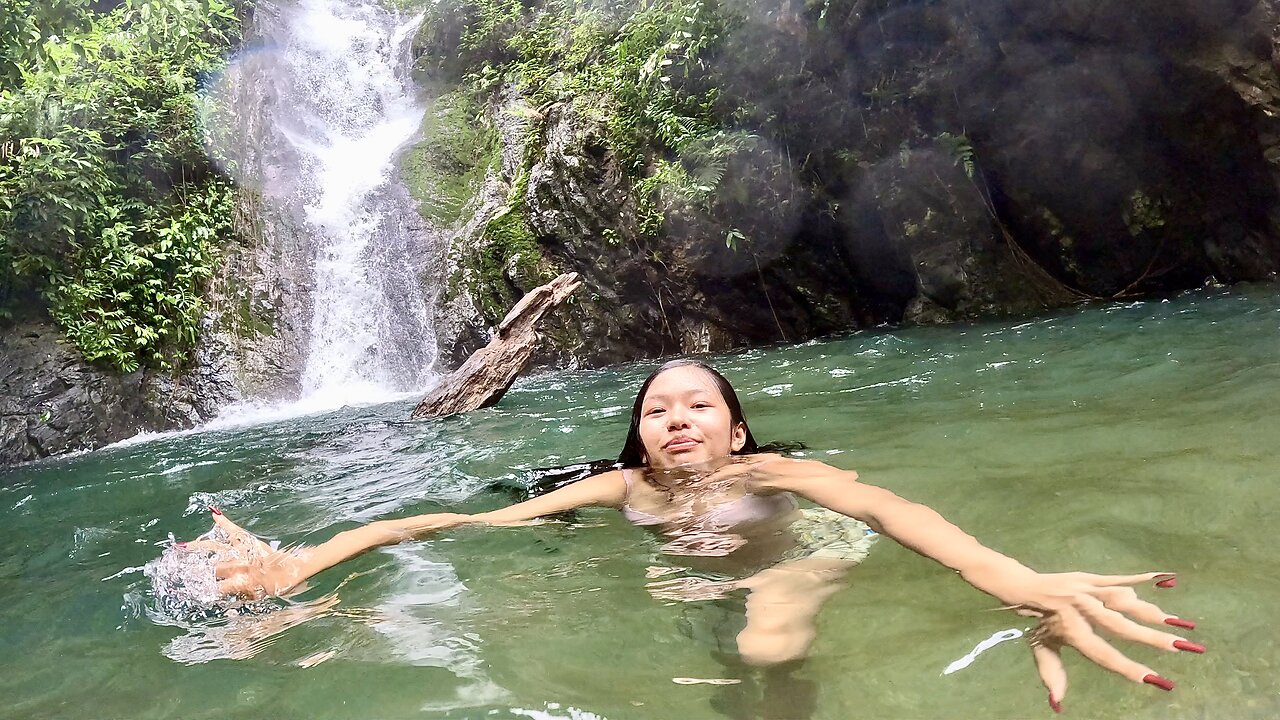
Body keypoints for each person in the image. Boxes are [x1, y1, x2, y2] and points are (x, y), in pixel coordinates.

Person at [181, 359, 1202, 713]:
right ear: (636, 436)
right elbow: (455, 518)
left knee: (765, 639)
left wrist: (1012, 578)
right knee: (716, 645)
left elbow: (886, 511)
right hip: (692, 581)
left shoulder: (770, 472)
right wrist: (307, 557)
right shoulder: (619, 493)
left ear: (734, 427)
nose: (676, 417)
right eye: (657, 409)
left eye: (698, 406)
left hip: (796, 563)